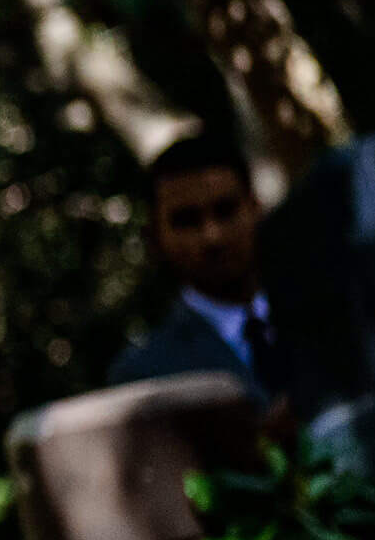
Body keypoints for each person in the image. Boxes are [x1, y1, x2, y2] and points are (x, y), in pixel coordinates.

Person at [107, 132, 281, 406]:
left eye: (226, 211)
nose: (212, 236)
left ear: (256, 209)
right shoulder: (145, 377)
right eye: (186, 221)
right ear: (155, 237)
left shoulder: (332, 312)